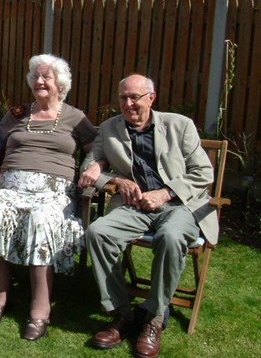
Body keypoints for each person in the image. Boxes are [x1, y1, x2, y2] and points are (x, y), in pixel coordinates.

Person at [78, 74, 216, 358]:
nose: (128, 104)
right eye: (123, 98)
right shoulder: (109, 128)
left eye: (135, 97)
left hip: (180, 205)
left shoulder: (180, 125)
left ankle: (154, 317)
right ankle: (123, 314)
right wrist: (111, 177)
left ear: (151, 98)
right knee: (98, 232)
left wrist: (165, 193)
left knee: (170, 236)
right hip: (135, 206)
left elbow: (204, 173)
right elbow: (92, 163)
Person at [0, 54, 98, 341]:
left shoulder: (75, 117)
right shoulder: (18, 114)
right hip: (12, 186)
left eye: (47, 77)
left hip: (53, 190)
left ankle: (40, 307)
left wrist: (94, 164)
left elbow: (96, 147)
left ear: (61, 83)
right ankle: (0, 295)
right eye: (36, 77)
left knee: (42, 220)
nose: (40, 81)